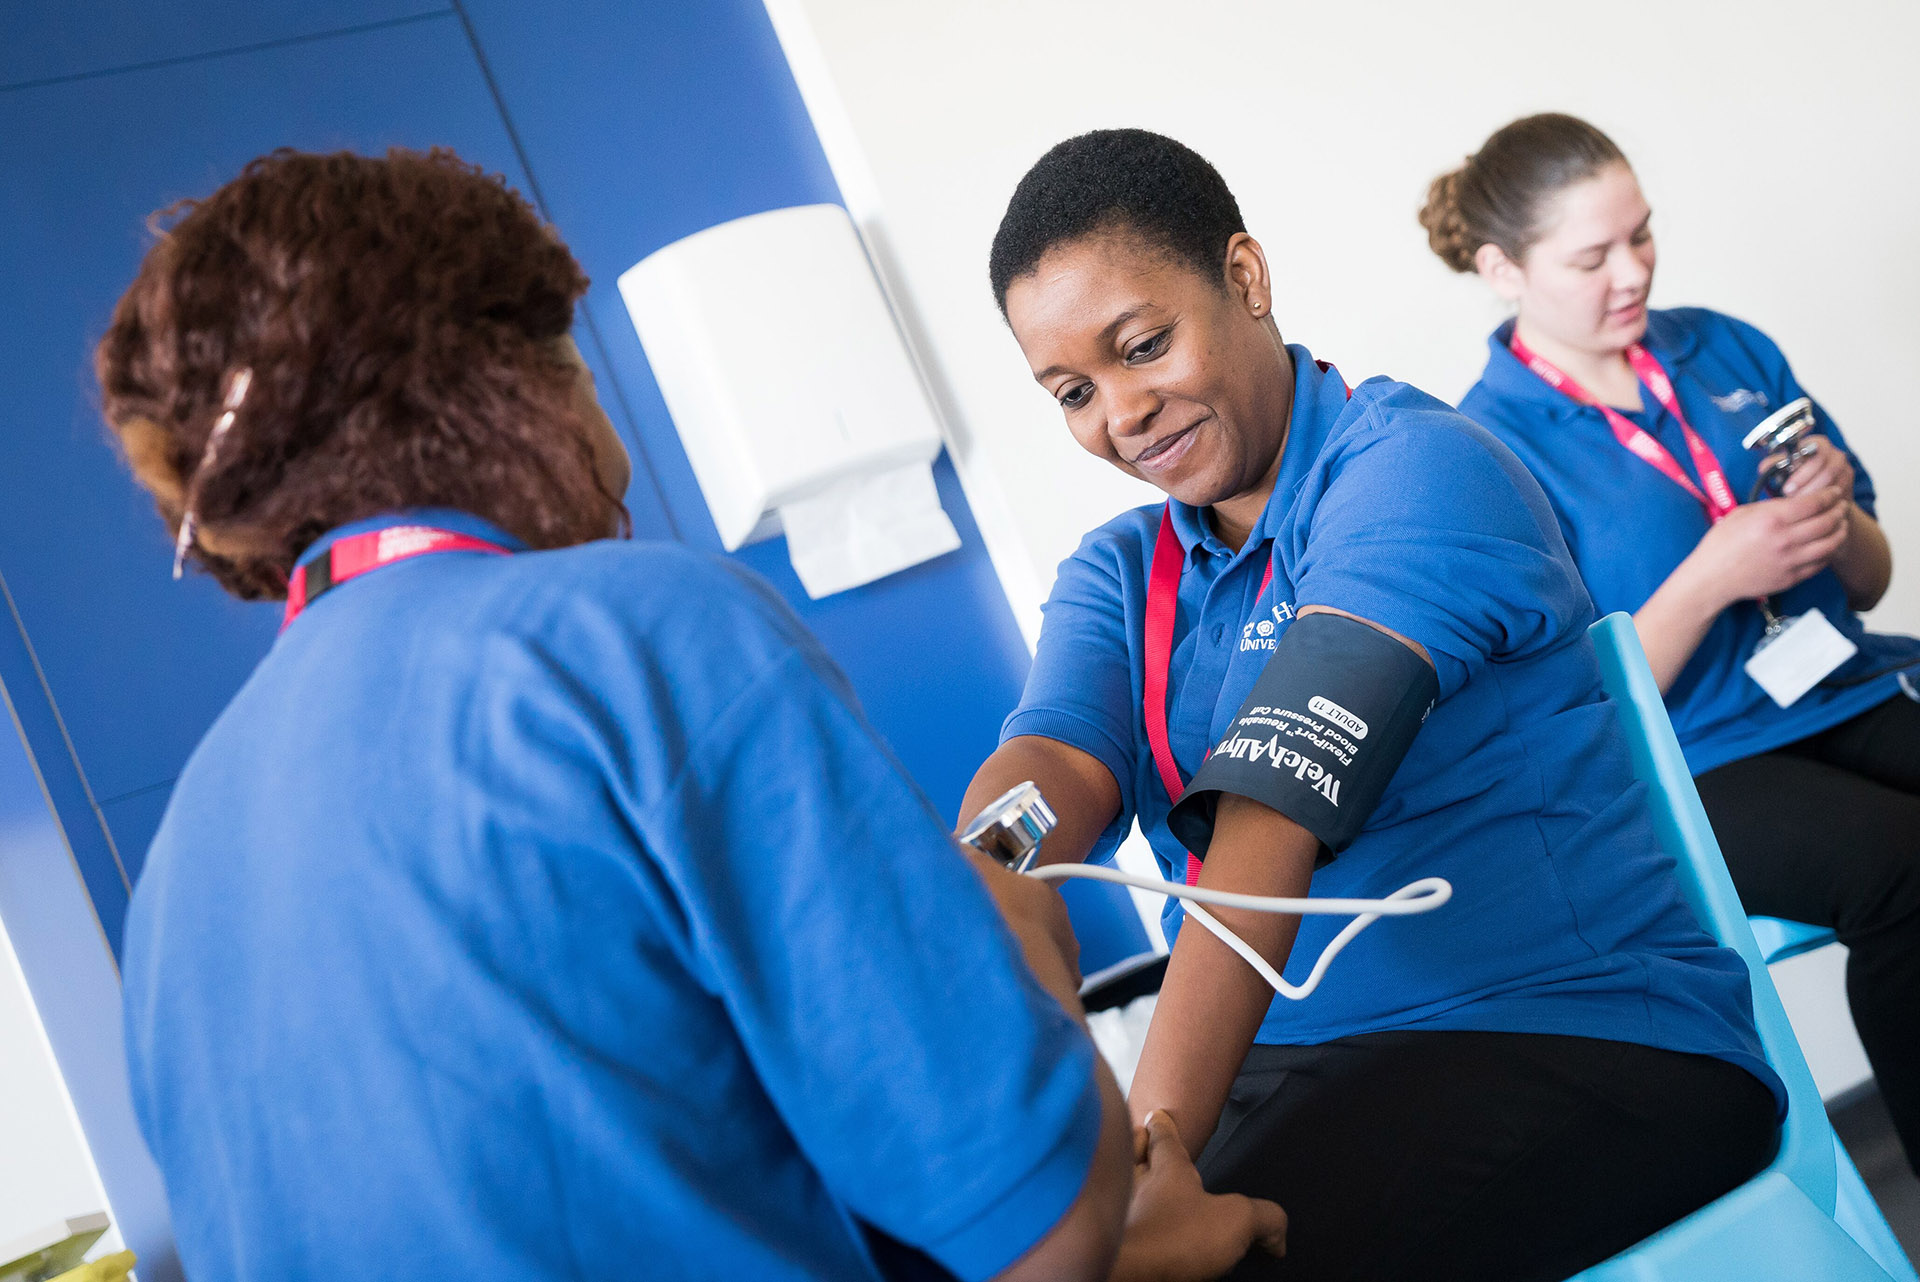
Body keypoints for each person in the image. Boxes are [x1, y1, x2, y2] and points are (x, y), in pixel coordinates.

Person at [97, 146, 1287, 1282]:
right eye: (579, 368)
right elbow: (1036, 1221)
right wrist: (1011, 934)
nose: (611, 452)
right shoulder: (633, 631)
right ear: (514, 385)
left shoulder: (181, 868)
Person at [964, 128, 1784, 1282]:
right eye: (1072, 392)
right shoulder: (1119, 574)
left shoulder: (1415, 470)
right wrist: (988, 867)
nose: (1124, 413)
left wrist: (1145, 1167)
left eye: (1144, 345)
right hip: (1303, 1059)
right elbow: (1056, 767)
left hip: (1575, 1033)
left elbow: (1270, 820)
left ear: (1244, 278)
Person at [1427, 112, 1920, 1174]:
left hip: (1841, 684)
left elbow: (1872, 580)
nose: (1633, 273)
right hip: (1691, 764)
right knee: (1902, 866)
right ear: (1503, 269)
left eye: (1641, 235)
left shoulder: (1724, 346)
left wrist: (1840, 519)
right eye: (1592, 256)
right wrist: (1712, 577)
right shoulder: (1485, 449)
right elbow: (1581, 717)